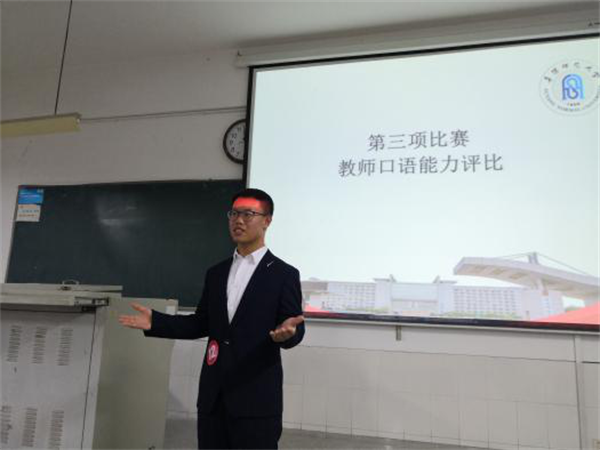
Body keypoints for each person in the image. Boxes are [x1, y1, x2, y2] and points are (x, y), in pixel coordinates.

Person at [119, 188, 305, 450]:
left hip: (256, 399)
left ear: (267, 221)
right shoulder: (216, 273)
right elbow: (201, 323)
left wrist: (288, 335)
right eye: (234, 213)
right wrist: (158, 322)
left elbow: (294, 325)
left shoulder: (284, 274)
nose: (239, 220)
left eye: (248, 214)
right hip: (214, 398)